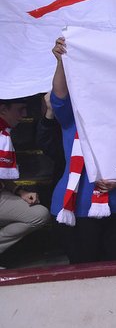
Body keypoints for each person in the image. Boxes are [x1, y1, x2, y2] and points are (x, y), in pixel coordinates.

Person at [50, 37, 116, 263]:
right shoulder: (74, 113)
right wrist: (62, 61)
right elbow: (59, 95)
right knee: (84, 276)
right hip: (76, 205)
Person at [0, 97, 50, 263]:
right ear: (3, 109)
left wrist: (19, 191)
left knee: (39, 214)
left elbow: (3, 174)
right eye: (20, 109)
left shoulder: (5, 133)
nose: (24, 115)